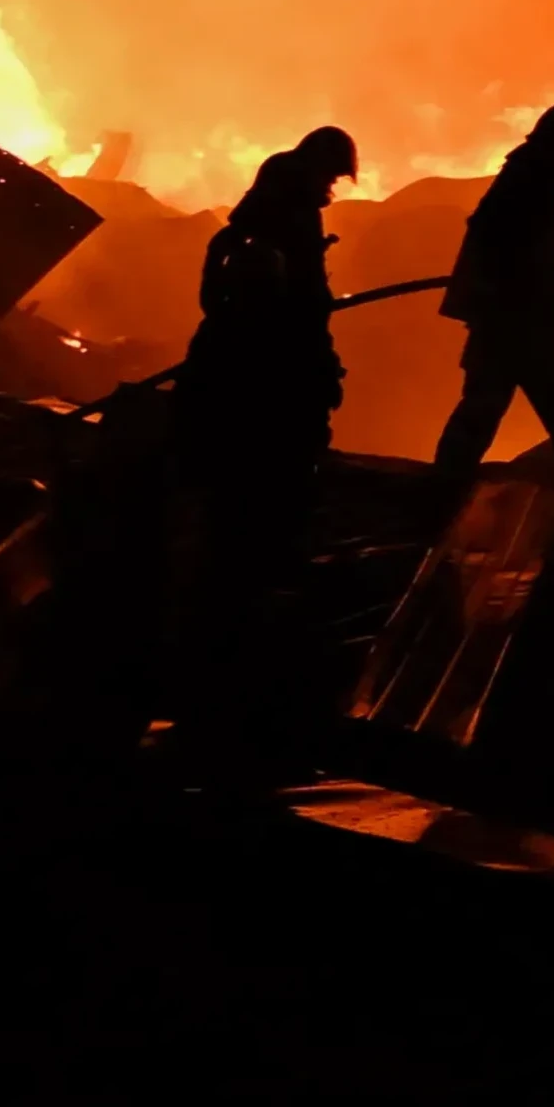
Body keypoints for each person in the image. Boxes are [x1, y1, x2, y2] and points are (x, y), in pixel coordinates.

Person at [175, 127, 354, 706]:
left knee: (228, 501)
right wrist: (323, 368)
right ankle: (244, 617)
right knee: (268, 490)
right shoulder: (288, 233)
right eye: (332, 176)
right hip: (271, 386)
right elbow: (304, 311)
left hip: (236, 383)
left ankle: (221, 600)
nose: (332, 186)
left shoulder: (244, 238)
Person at [433, 100, 554, 482]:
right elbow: (514, 255)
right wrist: (536, 298)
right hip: (521, 326)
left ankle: (443, 486)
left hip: (507, 324)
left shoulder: (526, 181)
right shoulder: (528, 185)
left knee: (483, 410)